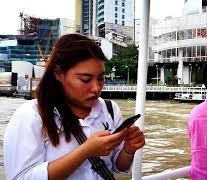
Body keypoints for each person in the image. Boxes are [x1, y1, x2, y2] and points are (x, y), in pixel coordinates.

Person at [4, 34, 145, 180]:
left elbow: (118, 166)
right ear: (59, 73)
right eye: (85, 79)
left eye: (101, 78)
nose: (96, 88)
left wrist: (129, 149)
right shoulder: (31, 115)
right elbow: (21, 177)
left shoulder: (110, 109)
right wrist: (85, 151)